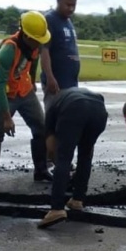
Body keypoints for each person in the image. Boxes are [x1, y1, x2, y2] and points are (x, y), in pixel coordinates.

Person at [0, 11, 53, 189]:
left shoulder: (35, 45)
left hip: (25, 90)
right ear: (26, 35)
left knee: (41, 127)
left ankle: (41, 170)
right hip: (6, 93)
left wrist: (32, 78)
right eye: (36, 39)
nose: (39, 42)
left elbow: (34, 59)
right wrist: (7, 117)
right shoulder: (9, 49)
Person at [38, 87, 108, 228]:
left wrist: (57, 164)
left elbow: (52, 149)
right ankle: (77, 200)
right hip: (99, 111)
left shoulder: (51, 111)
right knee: (85, 155)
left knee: (64, 158)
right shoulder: (65, 96)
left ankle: (57, 209)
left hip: (75, 108)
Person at [40, 0, 80, 105]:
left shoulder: (68, 21)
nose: (71, 9)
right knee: (54, 119)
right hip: (57, 84)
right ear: (58, 0)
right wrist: (50, 77)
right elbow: (44, 50)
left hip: (70, 83)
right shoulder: (49, 20)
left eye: (74, 5)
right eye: (68, 5)